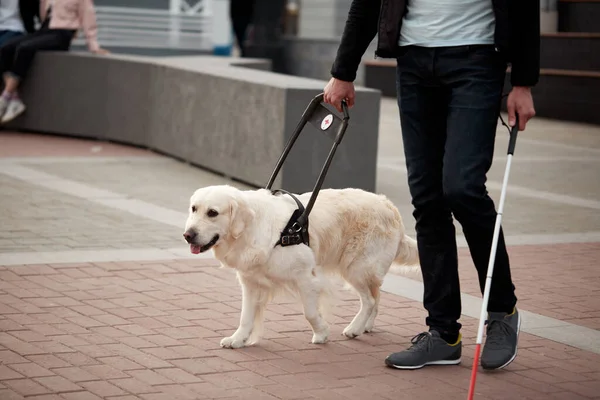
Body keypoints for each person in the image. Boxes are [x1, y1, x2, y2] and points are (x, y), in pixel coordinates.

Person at [324, 0, 539, 371]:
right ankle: (443, 333)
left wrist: (523, 82)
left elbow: (524, 7)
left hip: (477, 59)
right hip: (414, 61)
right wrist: (343, 71)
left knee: (463, 188)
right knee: (428, 199)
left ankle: (503, 312)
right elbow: (366, 4)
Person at [0, 0, 109, 124]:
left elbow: (88, 17)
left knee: (25, 49)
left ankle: (6, 96)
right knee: (6, 48)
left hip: (63, 33)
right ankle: (14, 99)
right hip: (46, 29)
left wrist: (93, 45)